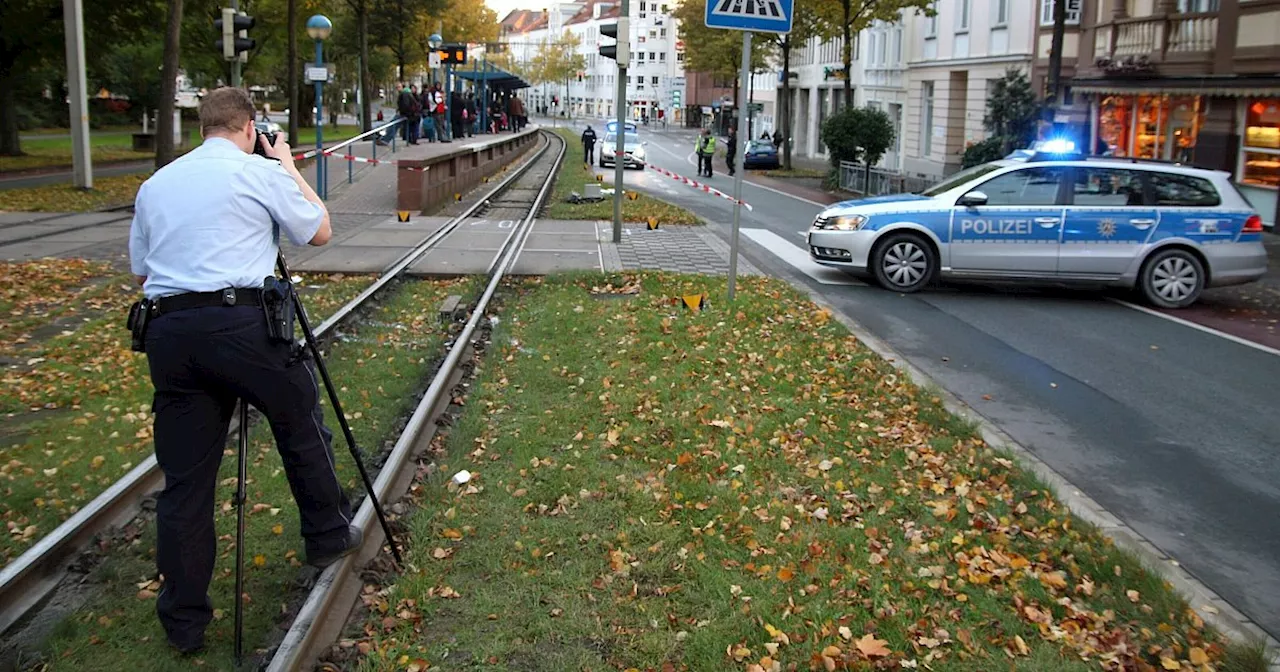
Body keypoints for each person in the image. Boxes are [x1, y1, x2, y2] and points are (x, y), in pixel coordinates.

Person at [127, 87, 360, 655]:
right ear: (250, 127)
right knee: (299, 422)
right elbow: (319, 230)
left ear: (202, 127)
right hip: (243, 327)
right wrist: (283, 165)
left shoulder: (156, 185)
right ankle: (327, 534)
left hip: (170, 334)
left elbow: (141, 270)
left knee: (185, 482)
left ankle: (183, 623)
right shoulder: (258, 172)